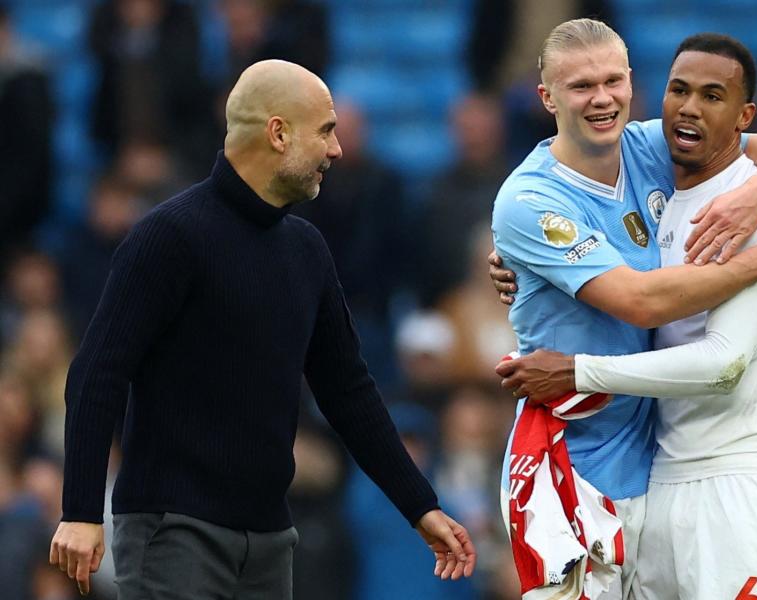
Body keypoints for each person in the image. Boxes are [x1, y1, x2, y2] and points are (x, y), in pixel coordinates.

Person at [48, 60, 476, 598]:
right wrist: (82, 510)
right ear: (278, 133)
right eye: (326, 130)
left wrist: (420, 504)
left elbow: (349, 392)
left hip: (273, 542)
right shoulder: (169, 237)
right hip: (174, 535)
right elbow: (97, 372)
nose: (337, 149)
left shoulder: (307, 251)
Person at [489, 19, 757, 598]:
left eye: (613, 81)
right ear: (546, 98)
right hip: (571, 469)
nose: (601, 98)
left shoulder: (650, 149)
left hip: (675, 468)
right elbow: (641, 303)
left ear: (631, 84)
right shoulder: (529, 200)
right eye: (580, 86)